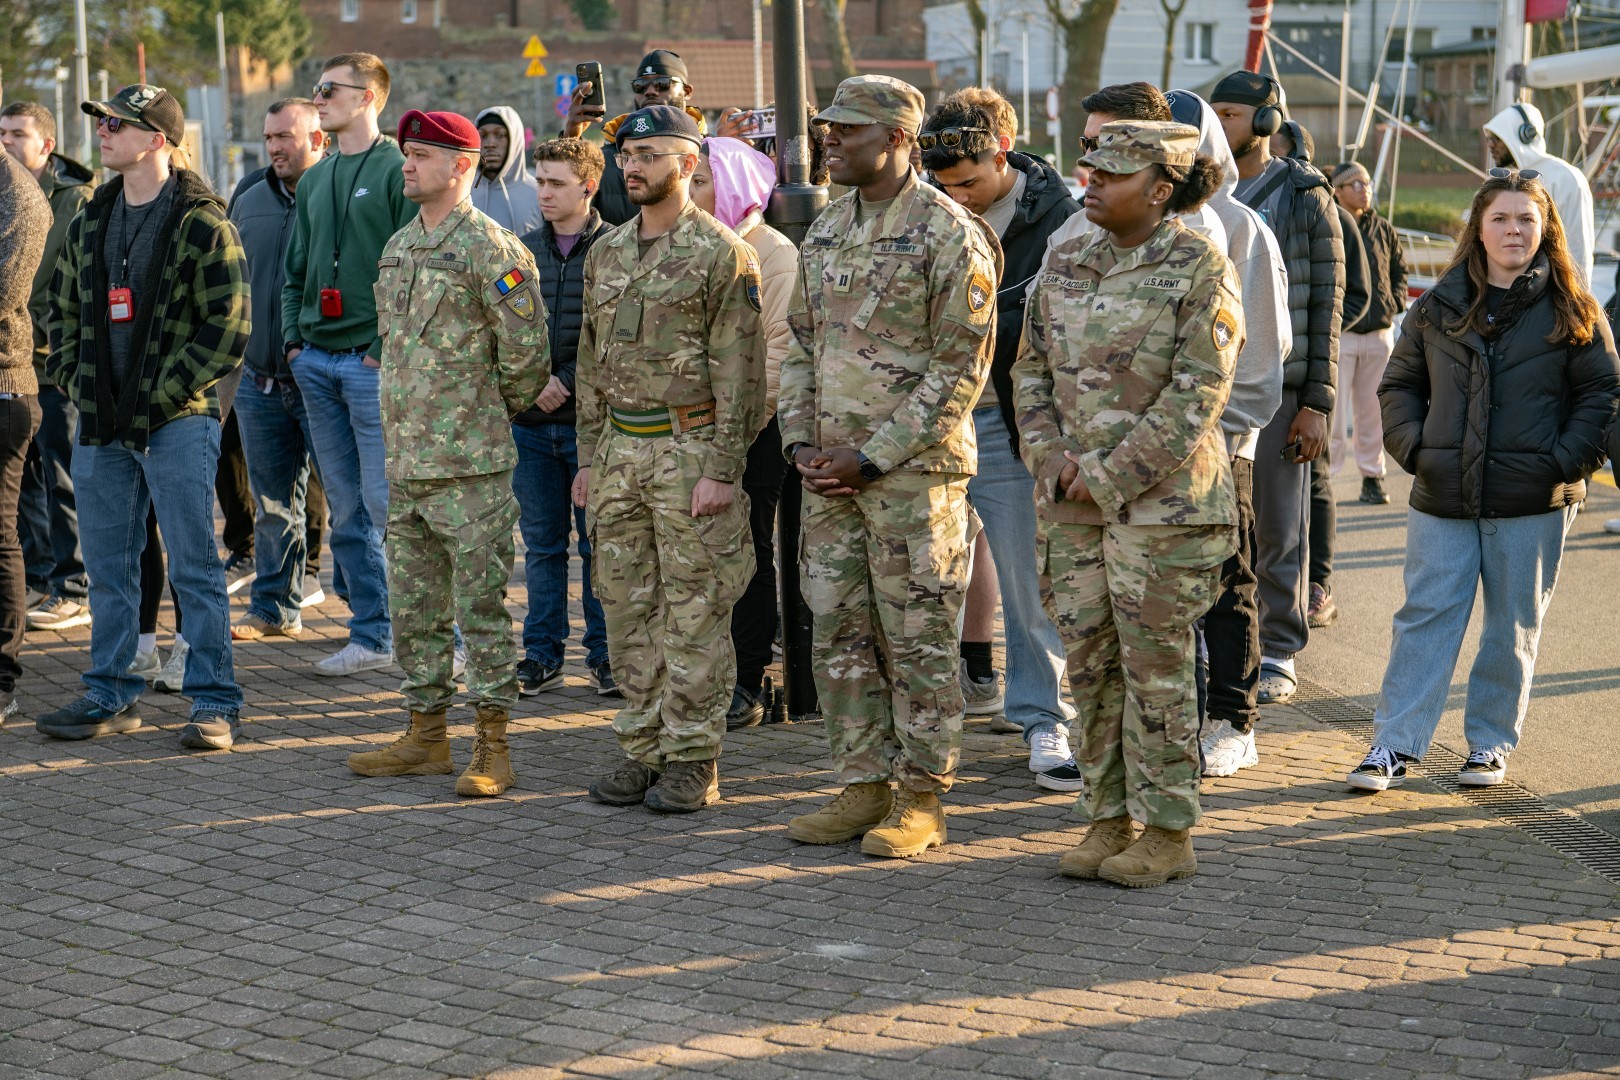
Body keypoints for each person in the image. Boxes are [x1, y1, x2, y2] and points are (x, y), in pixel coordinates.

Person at [779, 75, 1001, 858]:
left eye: (849, 131)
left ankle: (921, 797)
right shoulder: (831, 227)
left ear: (899, 138)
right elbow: (802, 344)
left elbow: (959, 371)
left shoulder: (950, 233)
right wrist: (800, 445)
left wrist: (870, 457)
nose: (830, 141)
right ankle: (860, 784)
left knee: (917, 641)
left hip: (911, 479)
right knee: (838, 632)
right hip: (829, 476)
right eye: (827, 128)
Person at [1016, 120, 1242, 887]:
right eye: (1091, 170)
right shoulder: (1067, 258)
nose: (1093, 185)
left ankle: (1170, 829)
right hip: (1072, 507)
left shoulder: (1199, 265)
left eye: (1113, 175)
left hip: (1165, 511)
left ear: (1161, 187)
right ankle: (1105, 817)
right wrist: (1049, 458)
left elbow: (1198, 395)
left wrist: (1107, 473)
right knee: (1091, 668)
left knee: (1157, 671)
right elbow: (1029, 370)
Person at [1349, 170, 1619, 792]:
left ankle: (1489, 745)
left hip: (1533, 497)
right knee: (1425, 615)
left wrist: (1562, 460)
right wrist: (1416, 450)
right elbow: (1399, 385)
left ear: (1546, 227)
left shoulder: (1573, 308)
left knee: (1511, 625)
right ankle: (1393, 745)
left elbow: (1602, 392)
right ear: (1479, 228)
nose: (1514, 229)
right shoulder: (1438, 303)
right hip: (1442, 490)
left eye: (1527, 218)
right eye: (1501, 218)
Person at [346, 109, 550, 798]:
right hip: (408, 465)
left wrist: (477, 417)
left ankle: (493, 745)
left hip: (471, 467)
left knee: (482, 609)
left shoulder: (494, 251)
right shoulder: (399, 247)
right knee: (415, 608)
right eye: (406, 154)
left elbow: (526, 363)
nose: (408, 165)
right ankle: (426, 735)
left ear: (462, 165)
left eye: (423, 156)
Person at [37, 84, 248, 748]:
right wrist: (81, 383)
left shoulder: (202, 220)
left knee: (193, 566)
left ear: (156, 139)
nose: (102, 131)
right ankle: (110, 694)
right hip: (101, 423)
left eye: (117, 124)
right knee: (109, 569)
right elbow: (59, 317)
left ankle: (214, 703)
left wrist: (159, 392)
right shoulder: (91, 219)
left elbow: (228, 328)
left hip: (178, 422)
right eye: (99, 121)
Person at [574, 104, 764, 814]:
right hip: (621, 449)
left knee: (694, 613)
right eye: (626, 154)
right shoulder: (608, 251)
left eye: (649, 154)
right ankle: (642, 746)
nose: (632, 166)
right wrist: (590, 457)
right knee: (625, 610)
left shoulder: (722, 254)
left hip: (690, 451)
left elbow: (741, 374)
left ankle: (692, 758)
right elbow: (591, 362)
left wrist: (722, 469)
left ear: (687, 164)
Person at [919, 86, 1085, 792]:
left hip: (1010, 417)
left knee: (1026, 577)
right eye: (941, 185)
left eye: (965, 184)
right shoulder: (929, 207)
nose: (954, 197)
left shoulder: (1062, 220)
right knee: (922, 573)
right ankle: (924, 720)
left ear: (1000, 156)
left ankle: (1042, 715)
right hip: (931, 417)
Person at [1162, 88, 1289, 780]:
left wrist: (1218, 435)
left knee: (1227, 584)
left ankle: (1233, 718)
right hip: (1140, 458)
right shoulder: (1125, 222)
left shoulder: (1243, 230)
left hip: (1219, 447)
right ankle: (1168, 715)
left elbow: (1264, 357)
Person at [1211, 71, 1344, 709]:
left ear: (1267, 121)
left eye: (1232, 114)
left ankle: (1281, 648)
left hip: (1285, 388)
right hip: (1213, 390)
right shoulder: (1199, 193)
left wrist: (1317, 402)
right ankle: (1228, 644)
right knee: (1222, 528)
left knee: (1278, 527)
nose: (1221, 125)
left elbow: (1328, 305)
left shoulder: (1305, 194)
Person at [283, 52, 419, 676]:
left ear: (367, 96)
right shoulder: (314, 179)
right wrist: (294, 343)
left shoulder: (398, 169)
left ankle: (434, 638)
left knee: (393, 507)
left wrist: (381, 352)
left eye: (329, 89)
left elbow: (410, 273)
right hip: (317, 360)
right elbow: (293, 274)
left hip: (371, 366)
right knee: (346, 511)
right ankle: (372, 634)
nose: (318, 98)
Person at [686, 135, 797, 731]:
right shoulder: (694, 249)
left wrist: (730, 433)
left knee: (748, 554)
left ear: (735, 187)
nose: (693, 193)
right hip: (694, 433)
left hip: (752, 435)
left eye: (703, 182)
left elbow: (777, 354)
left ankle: (749, 680)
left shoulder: (773, 254)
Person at [514, 138, 615, 697]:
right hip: (531, 426)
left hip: (591, 429)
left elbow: (619, 343)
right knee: (542, 546)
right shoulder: (522, 251)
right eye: (540, 181)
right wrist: (534, 385)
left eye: (556, 182)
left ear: (588, 187)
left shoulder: (616, 251)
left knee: (597, 544)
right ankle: (541, 654)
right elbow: (504, 334)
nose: (545, 192)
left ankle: (605, 656)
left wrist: (569, 384)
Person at [229, 98, 331, 642]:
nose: (275, 147)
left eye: (286, 137)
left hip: (324, 375)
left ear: (319, 140)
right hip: (258, 379)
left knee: (355, 507)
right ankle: (274, 607)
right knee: (271, 507)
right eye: (269, 137)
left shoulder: (334, 194)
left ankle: (374, 621)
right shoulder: (248, 194)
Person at [0, 101, 91, 631]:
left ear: (47, 145)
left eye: (19, 133)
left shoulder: (69, 201)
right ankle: (38, 578)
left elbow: (70, 284)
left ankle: (74, 586)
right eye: (3, 132)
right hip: (18, 363)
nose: (8, 141)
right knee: (26, 486)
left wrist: (63, 346)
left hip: (49, 362)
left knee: (62, 478)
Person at [1273, 120, 1367, 633]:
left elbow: (1353, 296)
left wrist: (1312, 340)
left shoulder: (1321, 209)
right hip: (1283, 369)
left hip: (1312, 368)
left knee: (1317, 483)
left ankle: (1318, 583)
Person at [0, 93, 48, 721]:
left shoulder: (19, 197)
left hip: (6, 386)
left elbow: (6, 290)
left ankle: (3, 675)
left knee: (0, 535)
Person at [1329, 160, 1408, 508]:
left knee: (1373, 410)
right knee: (1333, 412)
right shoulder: (1330, 223)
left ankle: (1373, 476)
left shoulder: (1384, 228)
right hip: (1341, 334)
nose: (1364, 189)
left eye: (1367, 182)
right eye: (1355, 184)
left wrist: (1394, 302)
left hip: (1379, 332)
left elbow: (1399, 269)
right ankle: (1325, 479)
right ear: (1338, 190)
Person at [562, 50, 706, 226]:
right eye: (640, 86)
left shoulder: (713, 154)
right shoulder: (606, 160)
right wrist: (570, 139)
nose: (650, 91)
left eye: (662, 83)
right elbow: (567, 212)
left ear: (687, 91)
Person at [1484, 101, 1595, 287]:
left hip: (1552, 296)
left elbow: (1579, 251)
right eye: (1489, 138)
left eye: (1497, 138)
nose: (1490, 144)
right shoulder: (1499, 181)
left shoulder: (1568, 178)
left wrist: (1577, 303)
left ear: (1525, 135)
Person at [473, 106, 541, 234]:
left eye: (500, 135)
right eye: (483, 135)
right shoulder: (462, 194)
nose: (490, 143)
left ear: (514, 140)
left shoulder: (539, 194)